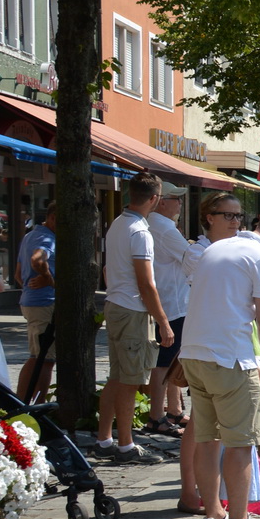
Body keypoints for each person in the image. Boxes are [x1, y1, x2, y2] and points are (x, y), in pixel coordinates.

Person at [183, 208, 260, 519]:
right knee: (241, 443)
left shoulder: (217, 247)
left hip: (194, 353)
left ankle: (212, 516)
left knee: (207, 440)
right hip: (230, 357)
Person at [98, 173, 176, 464]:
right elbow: (146, 283)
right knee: (130, 381)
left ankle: (105, 439)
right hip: (132, 309)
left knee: (118, 377)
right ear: (154, 199)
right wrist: (163, 322)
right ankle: (125, 445)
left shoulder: (118, 223)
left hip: (116, 304)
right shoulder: (140, 232)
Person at [146, 182, 198, 438]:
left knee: (173, 358)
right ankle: (157, 415)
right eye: (176, 198)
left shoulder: (154, 224)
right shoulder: (165, 228)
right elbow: (192, 259)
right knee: (165, 362)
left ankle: (174, 410)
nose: (180, 203)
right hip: (174, 302)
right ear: (162, 201)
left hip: (168, 299)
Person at [15, 201, 57, 402]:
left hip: (33, 302)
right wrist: (49, 279)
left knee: (41, 357)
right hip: (44, 303)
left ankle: (26, 404)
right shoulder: (45, 237)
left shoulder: (30, 235)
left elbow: (18, 274)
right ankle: (29, 406)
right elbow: (37, 260)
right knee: (43, 359)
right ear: (53, 218)